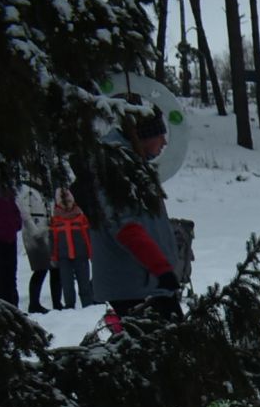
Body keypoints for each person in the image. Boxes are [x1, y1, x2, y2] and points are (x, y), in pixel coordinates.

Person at [89, 104, 183, 324]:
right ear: (143, 137)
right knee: (166, 350)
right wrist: (160, 268)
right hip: (133, 285)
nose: (165, 142)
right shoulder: (114, 169)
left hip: (148, 282)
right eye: (160, 135)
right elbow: (123, 226)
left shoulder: (132, 166)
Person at [48, 186, 94, 308]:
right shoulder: (55, 219)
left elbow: (88, 236)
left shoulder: (81, 217)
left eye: (68, 201)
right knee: (67, 284)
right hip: (63, 257)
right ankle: (70, 307)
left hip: (81, 255)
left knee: (84, 282)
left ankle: (88, 305)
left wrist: (91, 252)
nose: (66, 205)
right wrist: (53, 256)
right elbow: (52, 240)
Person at [21, 185, 57, 313]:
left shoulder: (47, 190)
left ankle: (57, 302)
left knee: (54, 267)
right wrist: (34, 231)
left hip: (49, 230)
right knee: (41, 268)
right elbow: (24, 212)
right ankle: (34, 303)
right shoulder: (26, 190)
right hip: (36, 232)